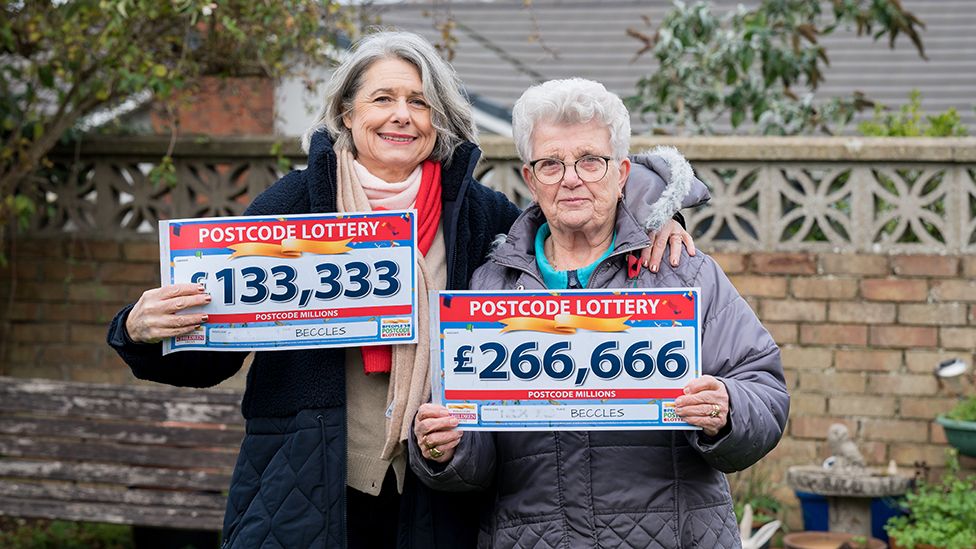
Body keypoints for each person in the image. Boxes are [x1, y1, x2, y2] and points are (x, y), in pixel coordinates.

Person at [106, 32, 697, 549]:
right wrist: (138, 329)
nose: (402, 115)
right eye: (383, 98)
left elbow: (578, 219)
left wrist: (654, 221)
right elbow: (214, 352)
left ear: (437, 118)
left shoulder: (481, 214)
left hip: (440, 491)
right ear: (345, 113)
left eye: (418, 101)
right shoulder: (290, 207)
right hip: (306, 486)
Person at [410, 78, 790, 548]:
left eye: (591, 161)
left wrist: (729, 408)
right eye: (551, 164)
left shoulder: (681, 271)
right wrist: (446, 449)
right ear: (530, 179)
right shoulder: (490, 287)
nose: (571, 178)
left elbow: (765, 390)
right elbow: (474, 444)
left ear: (622, 172)